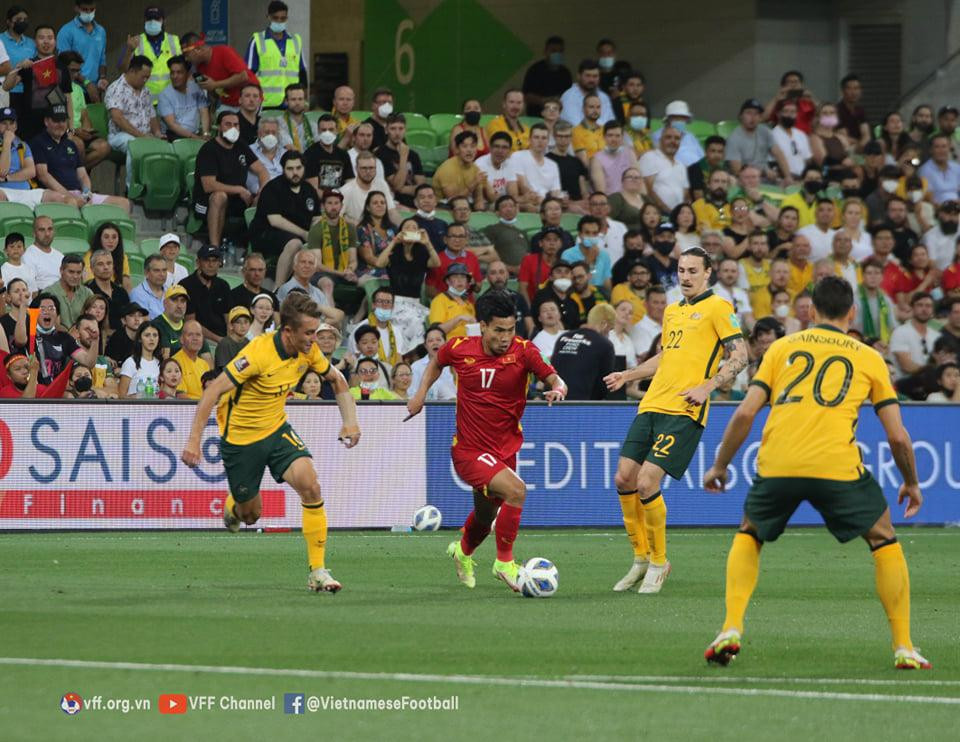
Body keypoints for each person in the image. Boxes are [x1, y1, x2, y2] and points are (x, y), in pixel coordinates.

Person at [702, 276, 930, 672]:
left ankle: (730, 626)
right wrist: (910, 481)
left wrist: (720, 465)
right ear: (851, 313)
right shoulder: (869, 358)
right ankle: (904, 646)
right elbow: (898, 437)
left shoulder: (781, 348)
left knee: (750, 532)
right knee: (882, 538)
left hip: (779, 463)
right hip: (836, 466)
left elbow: (743, 413)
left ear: (810, 311)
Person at [181, 292, 360, 592]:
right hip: (240, 439)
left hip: (276, 430)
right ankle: (234, 507)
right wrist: (194, 439)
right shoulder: (257, 354)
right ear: (287, 331)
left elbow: (337, 380)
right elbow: (212, 393)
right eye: (308, 333)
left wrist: (350, 421)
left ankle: (317, 571)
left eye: (316, 332)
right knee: (251, 515)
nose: (314, 339)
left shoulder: (308, 350)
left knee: (310, 484)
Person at [604, 248, 748, 594]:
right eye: (681, 270)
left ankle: (659, 561)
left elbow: (741, 354)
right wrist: (630, 374)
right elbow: (668, 355)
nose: (685, 276)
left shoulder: (719, 308)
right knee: (624, 478)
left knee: (647, 482)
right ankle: (640, 558)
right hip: (653, 403)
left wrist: (708, 386)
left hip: (685, 409)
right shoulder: (672, 311)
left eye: (693, 271)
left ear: (708, 273)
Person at [407, 289, 567, 592]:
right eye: (498, 330)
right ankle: (504, 562)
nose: (505, 337)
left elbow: (555, 378)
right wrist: (419, 395)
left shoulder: (525, 351)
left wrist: (558, 389)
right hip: (468, 450)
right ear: (482, 326)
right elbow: (436, 363)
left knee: (485, 515)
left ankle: (462, 551)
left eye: (510, 329)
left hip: (505, 449)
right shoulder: (459, 347)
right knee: (517, 491)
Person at [30, 103, 130, 210]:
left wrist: (87, 194)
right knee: (72, 203)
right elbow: (43, 176)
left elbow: (82, 175)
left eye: (63, 121)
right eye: (56, 121)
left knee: (124, 203)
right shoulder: (38, 143)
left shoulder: (70, 144)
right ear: (46, 121)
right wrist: (69, 196)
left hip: (78, 194)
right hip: (55, 195)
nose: (60, 124)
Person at [192, 111, 269, 248]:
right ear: (219, 127)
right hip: (206, 201)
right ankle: (214, 247)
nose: (233, 128)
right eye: (228, 124)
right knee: (220, 196)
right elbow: (209, 185)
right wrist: (239, 189)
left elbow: (262, 171)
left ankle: (253, 248)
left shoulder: (241, 146)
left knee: (263, 198)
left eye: (236, 125)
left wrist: (262, 190)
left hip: (236, 200)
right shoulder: (209, 150)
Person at [250, 150, 322, 283]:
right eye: (290, 169)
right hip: (266, 233)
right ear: (283, 169)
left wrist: (314, 234)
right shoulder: (273, 188)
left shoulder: (309, 190)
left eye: (298, 168)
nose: (295, 172)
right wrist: (304, 233)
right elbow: (275, 220)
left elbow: (316, 218)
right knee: (295, 243)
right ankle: (279, 288)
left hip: (299, 234)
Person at [2, 25, 72, 143]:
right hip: (31, 125)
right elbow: (7, 86)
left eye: (50, 38)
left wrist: (71, 129)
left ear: (55, 41)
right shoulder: (29, 64)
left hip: (57, 123)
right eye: (41, 38)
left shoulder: (62, 67)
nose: (46, 41)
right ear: (35, 42)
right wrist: (18, 67)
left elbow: (68, 98)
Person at [104, 55, 162, 189]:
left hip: (145, 135)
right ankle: (132, 189)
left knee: (163, 146)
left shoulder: (145, 91)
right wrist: (142, 137)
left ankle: (154, 188)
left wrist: (158, 134)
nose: (146, 80)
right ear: (132, 71)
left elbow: (152, 116)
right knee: (135, 146)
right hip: (119, 136)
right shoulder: (116, 89)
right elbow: (117, 118)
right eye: (143, 77)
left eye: (148, 77)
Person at [246, 1, 306, 109]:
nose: (279, 21)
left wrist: (303, 100)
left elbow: (302, 73)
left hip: (291, 103)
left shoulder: (296, 41)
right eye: (275, 18)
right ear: (268, 17)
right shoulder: (258, 40)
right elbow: (249, 74)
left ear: (287, 18)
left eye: (283, 18)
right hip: (266, 103)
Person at [181, 32, 259, 112]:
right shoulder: (199, 67)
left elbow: (243, 76)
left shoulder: (223, 52)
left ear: (198, 49)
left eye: (187, 54)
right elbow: (212, 91)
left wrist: (215, 84)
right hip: (228, 104)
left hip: (249, 102)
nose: (186, 59)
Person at [551, 303, 616, 400]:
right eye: (610, 329)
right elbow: (604, 384)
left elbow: (551, 370)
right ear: (604, 324)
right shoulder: (604, 344)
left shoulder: (563, 338)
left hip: (554, 399)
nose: (609, 334)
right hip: (582, 405)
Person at [32, 293, 99, 383]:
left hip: (56, 391)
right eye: (42, 309)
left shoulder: (64, 338)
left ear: (57, 315)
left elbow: (88, 362)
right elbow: (20, 340)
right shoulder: (29, 336)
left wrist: (95, 341)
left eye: (51, 309)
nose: (47, 312)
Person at [117, 6, 180, 101]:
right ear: (145, 20)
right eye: (149, 19)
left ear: (163, 21)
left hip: (171, 102)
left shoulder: (174, 40)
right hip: (143, 103)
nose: (152, 22)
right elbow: (122, 69)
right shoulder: (134, 41)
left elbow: (183, 70)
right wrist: (129, 50)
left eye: (156, 18)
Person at [374, 217, 440, 303]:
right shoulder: (394, 252)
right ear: (400, 232)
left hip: (415, 302)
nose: (410, 229)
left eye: (414, 228)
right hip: (394, 301)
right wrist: (394, 242)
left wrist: (427, 243)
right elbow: (379, 264)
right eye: (407, 227)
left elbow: (436, 263)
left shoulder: (422, 254)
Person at [275, 248, 345, 327]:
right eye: (303, 262)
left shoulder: (318, 293)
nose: (307, 266)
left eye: (310, 263)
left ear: (315, 269)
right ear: (294, 266)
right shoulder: (286, 289)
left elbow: (336, 315)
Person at [726, 98, 792, 181]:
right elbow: (737, 170)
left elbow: (779, 154)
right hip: (745, 180)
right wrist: (763, 172)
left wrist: (788, 177)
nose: (752, 117)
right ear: (741, 116)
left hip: (767, 178)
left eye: (756, 114)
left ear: (760, 118)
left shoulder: (765, 131)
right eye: (749, 113)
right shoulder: (733, 138)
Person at [180, 244, 232, 343]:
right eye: (207, 260)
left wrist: (229, 340)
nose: (211, 265)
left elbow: (228, 318)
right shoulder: (186, 286)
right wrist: (219, 340)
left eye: (214, 261)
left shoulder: (223, 285)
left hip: (223, 338)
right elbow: (190, 323)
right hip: (198, 339)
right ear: (198, 263)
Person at [57, 2, 107, 102]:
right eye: (85, 9)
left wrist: (102, 78)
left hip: (95, 90)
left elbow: (102, 59)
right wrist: (87, 83)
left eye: (92, 9)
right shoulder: (66, 31)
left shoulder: (101, 31)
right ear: (76, 8)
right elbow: (64, 63)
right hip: (73, 90)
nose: (89, 13)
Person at [377, 113, 425, 207]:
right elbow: (397, 185)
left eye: (401, 128)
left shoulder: (413, 155)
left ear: (405, 130)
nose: (397, 133)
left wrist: (402, 189)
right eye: (393, 128)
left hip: (416, 202)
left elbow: (421, 187)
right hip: (394, 203)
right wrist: (403, 157)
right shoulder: (380, 154)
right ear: (386, 130)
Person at [157, 55, 209, 141]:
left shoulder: (196, 88)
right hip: (174, 137)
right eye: (172, 73)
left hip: (195, 134)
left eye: (179, 72)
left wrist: (205, 133)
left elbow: (204, 111)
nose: (175, 76)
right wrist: (197, 138)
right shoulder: (164, 95)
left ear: (187, 74)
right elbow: (172, 125)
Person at [339, 150, 399, 224]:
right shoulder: (346, 190)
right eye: (364, 168)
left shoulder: (381, 184)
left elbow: (392, 212)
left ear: (376, 168)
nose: (368, 172)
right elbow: (337, 216)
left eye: (371, 168)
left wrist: (403, 227)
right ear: (356, 168)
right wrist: (357, 224)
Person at [425, 220, 482, 297]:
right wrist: (450, 302)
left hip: (468, 306)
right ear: (445, 239)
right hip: (445, 305)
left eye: (461, 236)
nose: (457, 240)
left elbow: (478, 289)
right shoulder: (437, 260)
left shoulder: (472, 257)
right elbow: (429, 291)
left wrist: (474, 284)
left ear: (466, 239)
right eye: (453, 236)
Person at [639, 125, 690, 213]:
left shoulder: (681, 165)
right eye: (668, 137)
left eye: (677, 138)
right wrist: (667, 211)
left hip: (676, 216)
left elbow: (685, 194)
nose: (673, 141)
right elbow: (648, 190)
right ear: (660, 140)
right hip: (657, 214)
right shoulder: (649, 157)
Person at [889, 292, 940, 378]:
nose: (924, 309)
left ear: (932, 310)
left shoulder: (936, 336)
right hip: (906, 383)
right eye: (920, 305)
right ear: (912, 308)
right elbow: (906, 366)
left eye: (928, 306)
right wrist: (931, 370)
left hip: (932, 381)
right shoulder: (900, 332)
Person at [512, 124, 562, 208]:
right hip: (528, 201)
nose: (540, 141)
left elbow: (556, 192)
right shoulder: (518, 156)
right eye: (536, 137)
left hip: (547, 204)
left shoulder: (553, 165)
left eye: (544, 138)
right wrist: (540, 198)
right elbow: (523, 186)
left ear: (548, 141)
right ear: (529, 140)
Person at [522, 36, 572, 117]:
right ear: (545, 51)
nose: (557, 54)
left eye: (560, 51)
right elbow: (526, 96)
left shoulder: (565, 73)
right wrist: (543, 100)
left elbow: (569, 97)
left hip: (558, 118)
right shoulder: (535, 70)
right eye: (553, 51)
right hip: (535, 117)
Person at [433, 130, 485, 209]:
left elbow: (478, 198)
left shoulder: (476, 169)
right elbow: (453, 200)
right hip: (443, 206)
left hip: (465, 204)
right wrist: (474, 183)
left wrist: (480, 210)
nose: (469, 150)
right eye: (464, 146)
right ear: (457, 149)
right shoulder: (447, 169)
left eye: (473, 146)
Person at [483, 259, 533, 338]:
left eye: (501, 272)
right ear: (487, 277)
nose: (498, 276)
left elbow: (530, 327)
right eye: (493, 273)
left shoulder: (519, 298)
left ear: (507, 275)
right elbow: (484, 331)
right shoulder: (482, 301)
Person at [561, 215, 612, 292]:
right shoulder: (568, 255)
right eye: (587, 233)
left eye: (594, 233)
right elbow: (568, 281)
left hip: (599, 296)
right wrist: (588, 260)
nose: (591, 236)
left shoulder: (604, 255)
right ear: (580, 234)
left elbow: (606, 281)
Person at [547, 122, 590, 212]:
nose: (563, 140)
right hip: (559, 204)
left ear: (571, 138)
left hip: (580, 203)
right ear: (554, 137)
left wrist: (586, 201)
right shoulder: (547, 160)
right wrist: (572, 203)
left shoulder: (577, 161)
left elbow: (584, 191)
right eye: (560, 136)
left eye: (567, 136)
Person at [303, 114, 352, 190]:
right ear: (318, 131)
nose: (327, 133)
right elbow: (314, 188)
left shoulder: (343, 154)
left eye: (331, 129)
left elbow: (349, 182)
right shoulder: (310, 154)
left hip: (341, 198)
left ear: (337, 131)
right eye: (323, 130)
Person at [559, 59, 615, 126]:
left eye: (595, 76)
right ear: (579, 76)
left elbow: (611, 123)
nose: (591, 80)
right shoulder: (569, 96)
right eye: (588, 76)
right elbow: (574, 124)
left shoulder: (603, 97)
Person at [649, 100, 705, 167]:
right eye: (676, 118)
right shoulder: (657, 136)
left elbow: (703, 158)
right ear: (668, 119)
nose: (680, 121)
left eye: (683, 118)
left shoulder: (690, 136)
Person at [482, 195, 529, 273]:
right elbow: (487, 254)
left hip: (524, 274)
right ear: (497, 213)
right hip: (503, 273)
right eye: (504, 207)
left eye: (512, 206)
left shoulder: (522, 232)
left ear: (516, 210)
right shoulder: (491, 229)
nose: (509, 209)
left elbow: (528, 254)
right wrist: (510, 268)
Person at [429, 262, 476, 339]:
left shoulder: (469, 305)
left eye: (463, 277)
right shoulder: (439, 300)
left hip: (468, 346)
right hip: (449, 346)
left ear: (467, 282)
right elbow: (435, 332)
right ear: (448, 281)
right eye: (455, 276)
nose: (459, 280)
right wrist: (459, 318)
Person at [45, 254, 93, 329]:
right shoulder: (48, 293)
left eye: (78, 272)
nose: (75, 276)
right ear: (61, 270)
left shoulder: (87, 293)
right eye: (71, 272)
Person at [590, 121, 636, 195]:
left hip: (631, 197)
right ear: (604, 137)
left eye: (617, 136)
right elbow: (601, 192)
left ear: (622, 137)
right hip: (611, 200)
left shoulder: (629, 153)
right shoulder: (596, 160)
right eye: (610, 135)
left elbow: (639, 181)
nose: (614, 139)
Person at [531, 260, 580, 330]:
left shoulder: (573, 303)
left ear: (571, 277)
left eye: (567, 272)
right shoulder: (541, 297)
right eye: (558, 272)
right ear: (551, 277)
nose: (563, 275)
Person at [770, 98, 812, 179]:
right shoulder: (772, 135)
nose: (790, 115)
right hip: (783, 179)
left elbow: (807, 159)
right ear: (778, 114)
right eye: (786, 111)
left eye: (793, 112)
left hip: (802, 179)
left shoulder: (801, 135)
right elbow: (772, 163)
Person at [118, 321, 161, 397]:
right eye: (147, 335)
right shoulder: (130, 363)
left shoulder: (160, 363)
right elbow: (121, 396)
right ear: (139, 339)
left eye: (155, 335)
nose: (152, 339)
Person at [170, 319, 210, 399]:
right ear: (181, 339)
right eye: (190, 334)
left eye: (198, 335)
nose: (195, 338)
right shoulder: (174, 363)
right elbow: (180, 395)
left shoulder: (204, 364)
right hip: (189, 408)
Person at [23, 215, 65, 291]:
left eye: (50, 229)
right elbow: (30, 288)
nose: (47, 234)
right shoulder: (28, 256)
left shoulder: (60, 256)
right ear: (34, 233)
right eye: (42, 230)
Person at [918, 134, 960, 205]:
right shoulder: (925, 171)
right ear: (931, 150)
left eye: (944, 146)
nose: (941, 151)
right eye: (937, 147)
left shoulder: (957, 168)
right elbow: (928, 197)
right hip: (938, 208)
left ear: (949, 148)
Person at [485, 89, 529, 153]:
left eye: (519, 103)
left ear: (523, 106)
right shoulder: (494, 125)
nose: (515, 106)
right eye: (511, 102)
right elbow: (500, 149)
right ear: (504, 104)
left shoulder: (527, 129)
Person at [104, 301, 148, 366]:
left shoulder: (145, 337)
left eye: (140, 315)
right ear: (123, 320)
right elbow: (113, 363)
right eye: (132, 315)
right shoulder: (117, 337)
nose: (137, 319)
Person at [836, 73, 871, 151]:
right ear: (843, 91)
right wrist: (859, 144)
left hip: (861, 148)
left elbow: (866, 135)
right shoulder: (836, 110)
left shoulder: (861, 110)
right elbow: (843, 136)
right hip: (844, 148)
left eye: (856, 88)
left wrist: (860, 144)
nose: (853, 92)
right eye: (850, 88)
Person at [630, 284, 666, 353]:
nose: (660, 307)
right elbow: (646, 358)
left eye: (663, 303)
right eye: (656, 303)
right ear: (645, 304)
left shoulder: (670, 325)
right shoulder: (639, 329)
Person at [215, 306, 251, 371]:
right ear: (231, 326)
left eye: (246, 322)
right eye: (238, 322)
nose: (243, 325)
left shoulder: (248, 343)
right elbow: (225, 371)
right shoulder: (224, 344)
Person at [571, 94, 604, 166]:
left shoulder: (606, 130)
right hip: (590, 173)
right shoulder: (575, 131)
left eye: (598, 107)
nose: (595, 110)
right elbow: (584, 162)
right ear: (583, 109)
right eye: (591, 107)